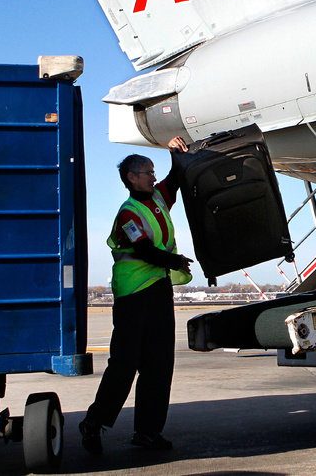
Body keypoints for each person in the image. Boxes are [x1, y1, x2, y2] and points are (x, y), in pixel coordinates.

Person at [79, 136, 194, 455]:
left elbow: (176, 179)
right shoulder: (128, 213)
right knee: (125, 364)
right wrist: (173, 260)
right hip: (133, 295)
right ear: (131, 177)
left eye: (153, 172)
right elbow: (143, 248)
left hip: (158, 289)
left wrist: (175, 151)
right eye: (147, 172)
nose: (153, 177)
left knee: (159, 364)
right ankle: (94, 421)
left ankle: (147, 431)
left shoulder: (158, 198)